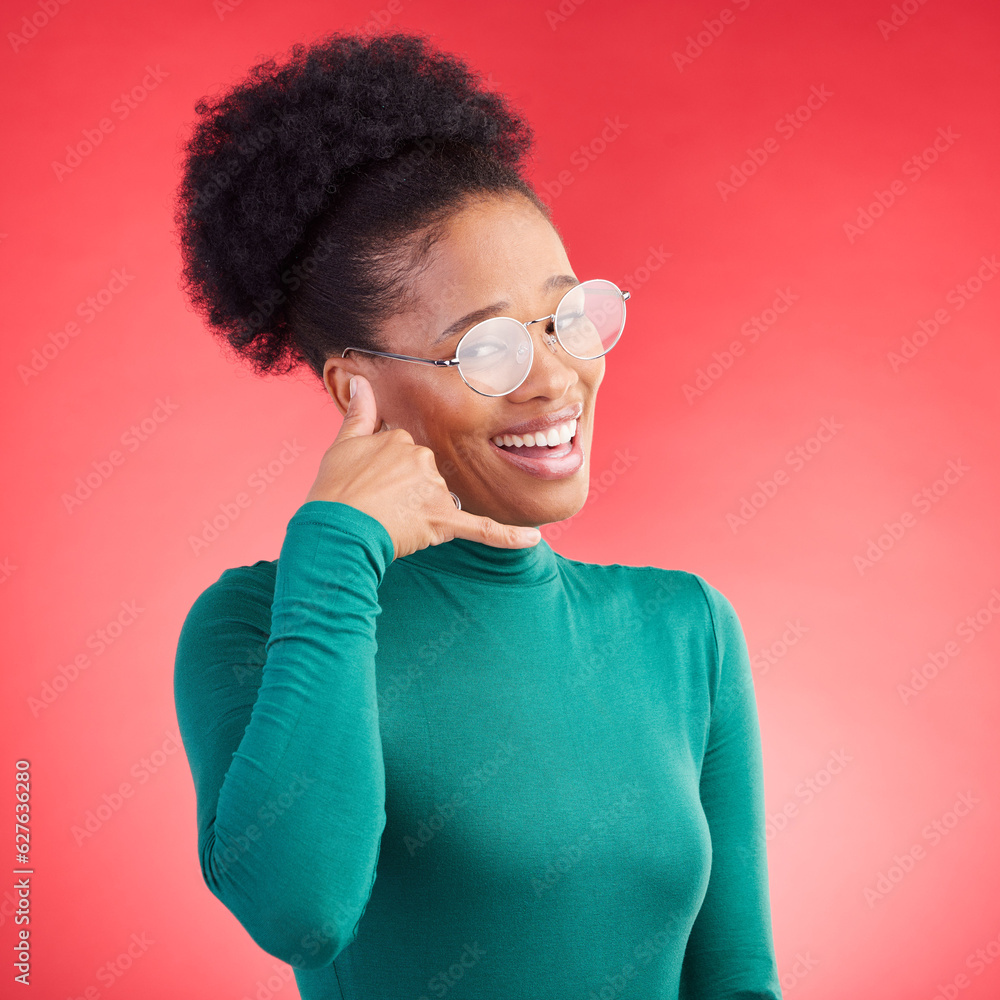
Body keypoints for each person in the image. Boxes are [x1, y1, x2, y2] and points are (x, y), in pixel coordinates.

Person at [172, 29, 782, 1000]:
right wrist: (338, 541)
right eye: (483, 349)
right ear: (355, 388)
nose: (556, 378)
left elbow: (736, 974)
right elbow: (300, 907)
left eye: (566, 316)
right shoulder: (259, 624)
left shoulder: (687, 629)